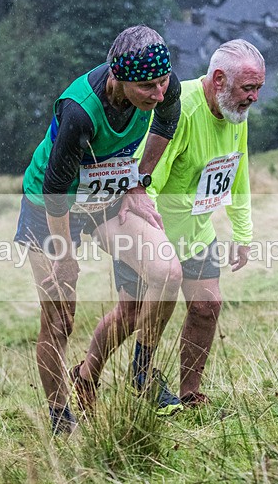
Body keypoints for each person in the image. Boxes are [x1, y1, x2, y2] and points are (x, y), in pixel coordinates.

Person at [70, 39, 264, 414]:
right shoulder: (182, 109)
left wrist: (243, 232)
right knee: (131, 314)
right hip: (152, 229)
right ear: (219, 79)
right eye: (248, 88)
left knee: (207, 306)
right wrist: (154, 246)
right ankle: (87, 374)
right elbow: (145, 181)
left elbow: (236, 171)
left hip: (197, 232)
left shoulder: (235, 112)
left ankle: (190, 395)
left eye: (257, 89)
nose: (254, 97)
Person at [14, 25, 185, 434]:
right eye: (147, 86)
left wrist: (138, 181)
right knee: (59, 320)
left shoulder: (163, 84)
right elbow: (56, 188)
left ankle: (141, 374)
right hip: (50, 207)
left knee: (167, 273)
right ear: (117, 78)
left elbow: (167, 120)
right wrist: (64, 255)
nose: (158, 93)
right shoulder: (80, 110)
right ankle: (60, 417)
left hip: (106, 199)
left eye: (163, 82)